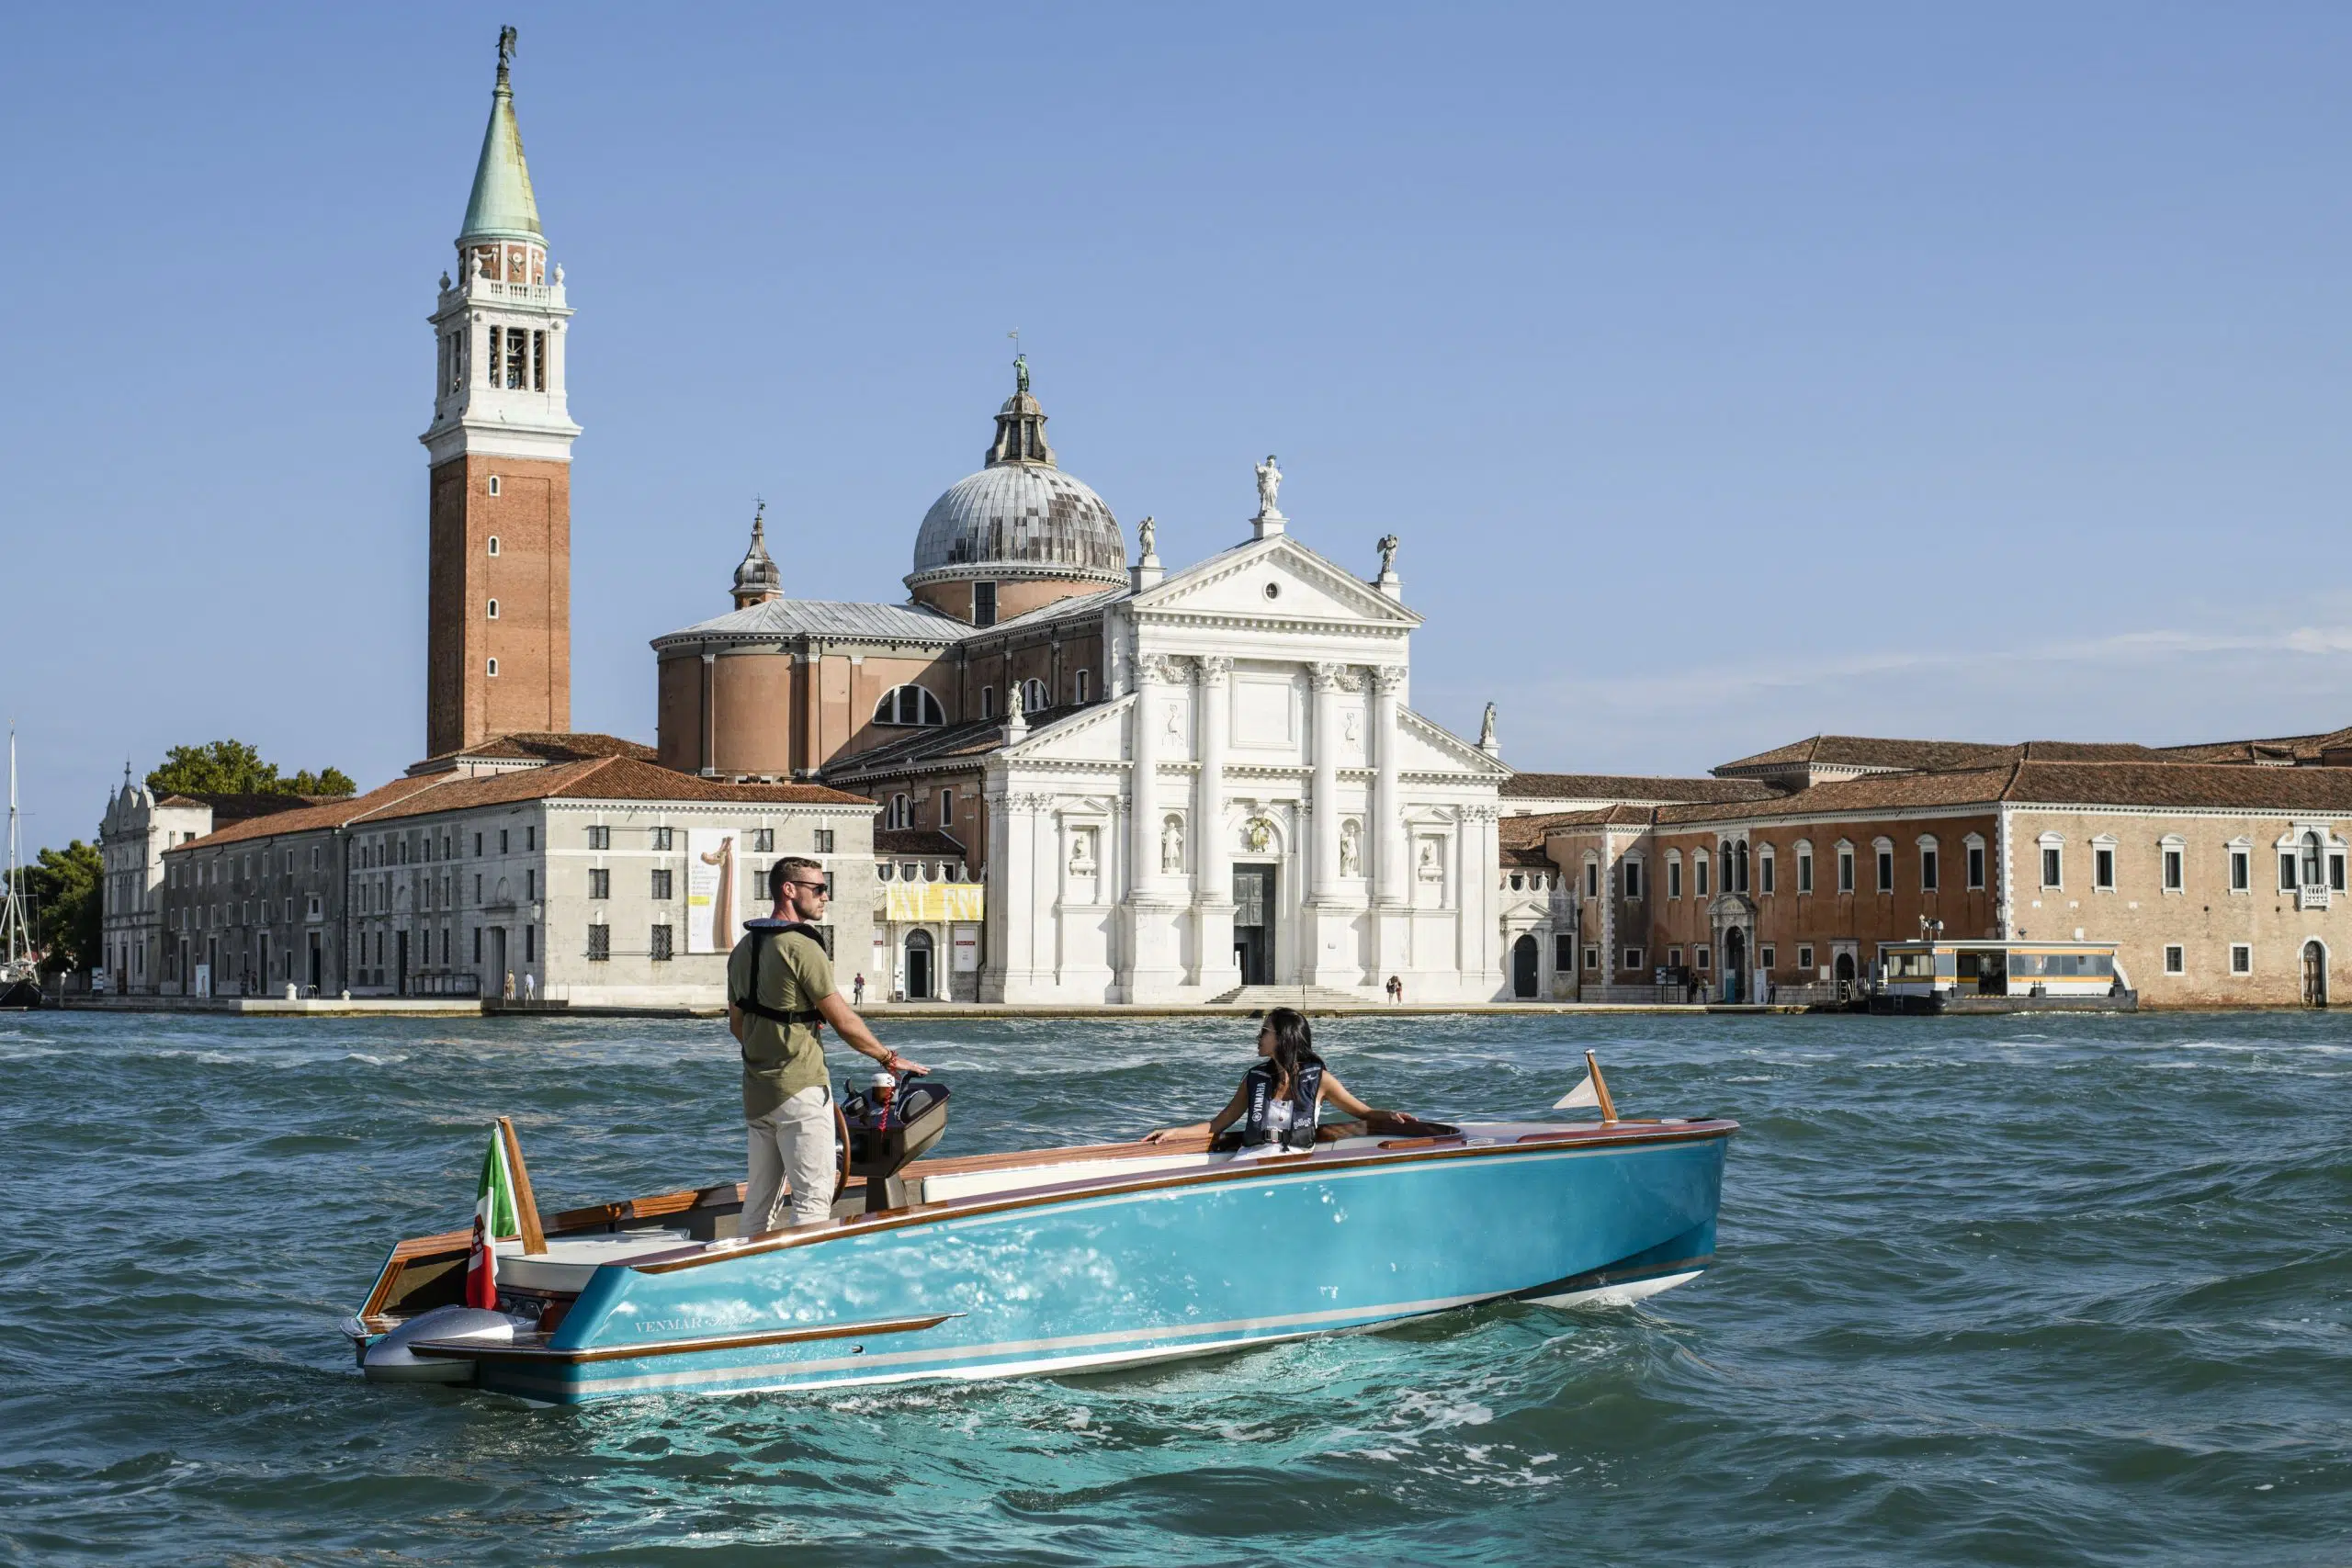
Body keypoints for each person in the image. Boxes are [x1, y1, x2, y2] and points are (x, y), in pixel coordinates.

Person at [729, 856, 927, 1234]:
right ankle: (807, 1286)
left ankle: (748, 1278)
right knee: (812, 1199)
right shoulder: (801, 947)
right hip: (801, 1089)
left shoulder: (742, 949)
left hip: (757, 1092)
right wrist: (889, 1058)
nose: (825, 896)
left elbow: (737, 1025)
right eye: (818, 888)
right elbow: (843, 1021)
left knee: (759, 1202)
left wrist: (769, 1049)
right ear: (789, 890)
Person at [1141, 1008, 1381, 1150]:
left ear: (1283, 1038)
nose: (1258, 1037)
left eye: (1265, 1031)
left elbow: (1364, 1113)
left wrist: (1390, 1115)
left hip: (1294, 1165)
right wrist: (1176, 1132)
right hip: (1250, 1160)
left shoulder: (1321, 1080)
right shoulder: (1253, 1079)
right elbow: (1217, 1124)